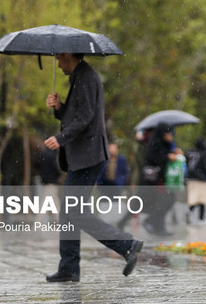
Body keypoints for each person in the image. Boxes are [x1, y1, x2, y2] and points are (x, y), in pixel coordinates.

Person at [44, 53, 143, 282]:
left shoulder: (87, 77)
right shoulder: (80, 76)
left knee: (74, 212)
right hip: (83, 155)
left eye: (60, 59)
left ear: (70, 56)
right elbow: (76, 114)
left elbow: (86, 117)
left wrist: (61, 137)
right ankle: (69, 267)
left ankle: (127, 244)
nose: (58, 65)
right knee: (69, 212)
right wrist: (59, 107)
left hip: (88, 156)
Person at [140, 122, 177, 235]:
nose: (171, 136)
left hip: (162, 179)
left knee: (166, 201)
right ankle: (152, 222)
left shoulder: (166, 144)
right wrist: (167, 157)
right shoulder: (155, 142)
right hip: (154, 180)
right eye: (169, 133)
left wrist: (172, 153)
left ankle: (158, 226)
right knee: (163, 201)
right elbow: (154, 158)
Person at [185, 137, 206, 223]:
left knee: (192, 199)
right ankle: (201, 219)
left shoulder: (189, 153)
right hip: (201, 180)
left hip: (190, 179)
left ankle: (189, 211)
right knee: (202, 200)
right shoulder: (203, 153)